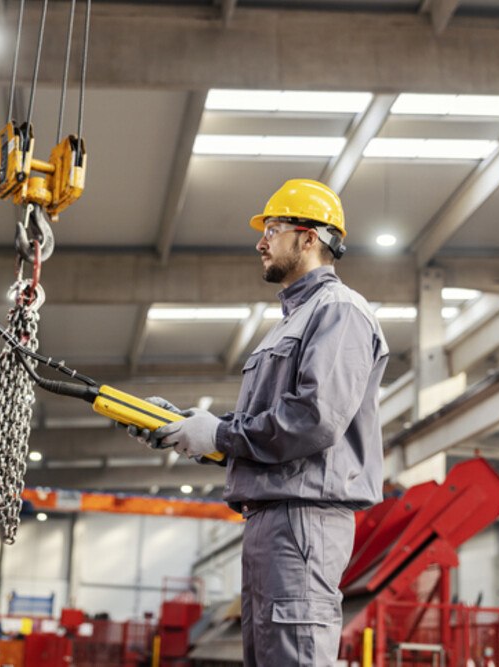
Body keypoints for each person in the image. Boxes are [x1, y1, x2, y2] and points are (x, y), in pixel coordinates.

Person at [132, 179, 388, 665]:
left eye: (272, 229)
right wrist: (190, 430)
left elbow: (312, 420)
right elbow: (266, 425)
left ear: (309, 238)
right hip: (270, 518)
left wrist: (220, 434)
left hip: (303, 519)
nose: (260, 242)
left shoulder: (339, 311)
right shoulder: (292, 320)